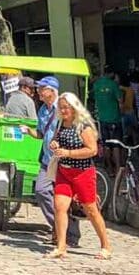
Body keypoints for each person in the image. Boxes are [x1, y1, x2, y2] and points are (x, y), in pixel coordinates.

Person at [47, 92, 111, 261]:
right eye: (61, 108)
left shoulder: (83, 127)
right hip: (64, 172)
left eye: (66, 107)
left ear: (74, 108)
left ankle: (105, 245)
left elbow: (92, 150)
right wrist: (54, 144)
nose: (63, 110)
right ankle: (61, 246)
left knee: (90, 209)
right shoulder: (61, 124)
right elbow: (55, 140)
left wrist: (68, 152)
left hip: (82, 173)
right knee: (60, 206)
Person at [24, 77, 80, 249]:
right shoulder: (42, 110)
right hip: (47, 161)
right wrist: (28, 131)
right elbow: (41, 133)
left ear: (52, 91)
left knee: (66, 199)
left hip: (63, 161)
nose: (38, 92)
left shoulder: (63, 108)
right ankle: (59, 227)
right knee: (41, 191)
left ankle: (69, 234)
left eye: (41, 89)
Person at [93, 67, 123, 171]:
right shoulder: (113, 84)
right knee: (116, 145)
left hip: (102, 119)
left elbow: (95, 100)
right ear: (112, 74)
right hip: (114, 118)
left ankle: (109, 167)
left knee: (106, 144)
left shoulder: (96, 84)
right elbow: (120, 101)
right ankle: (119, 168)